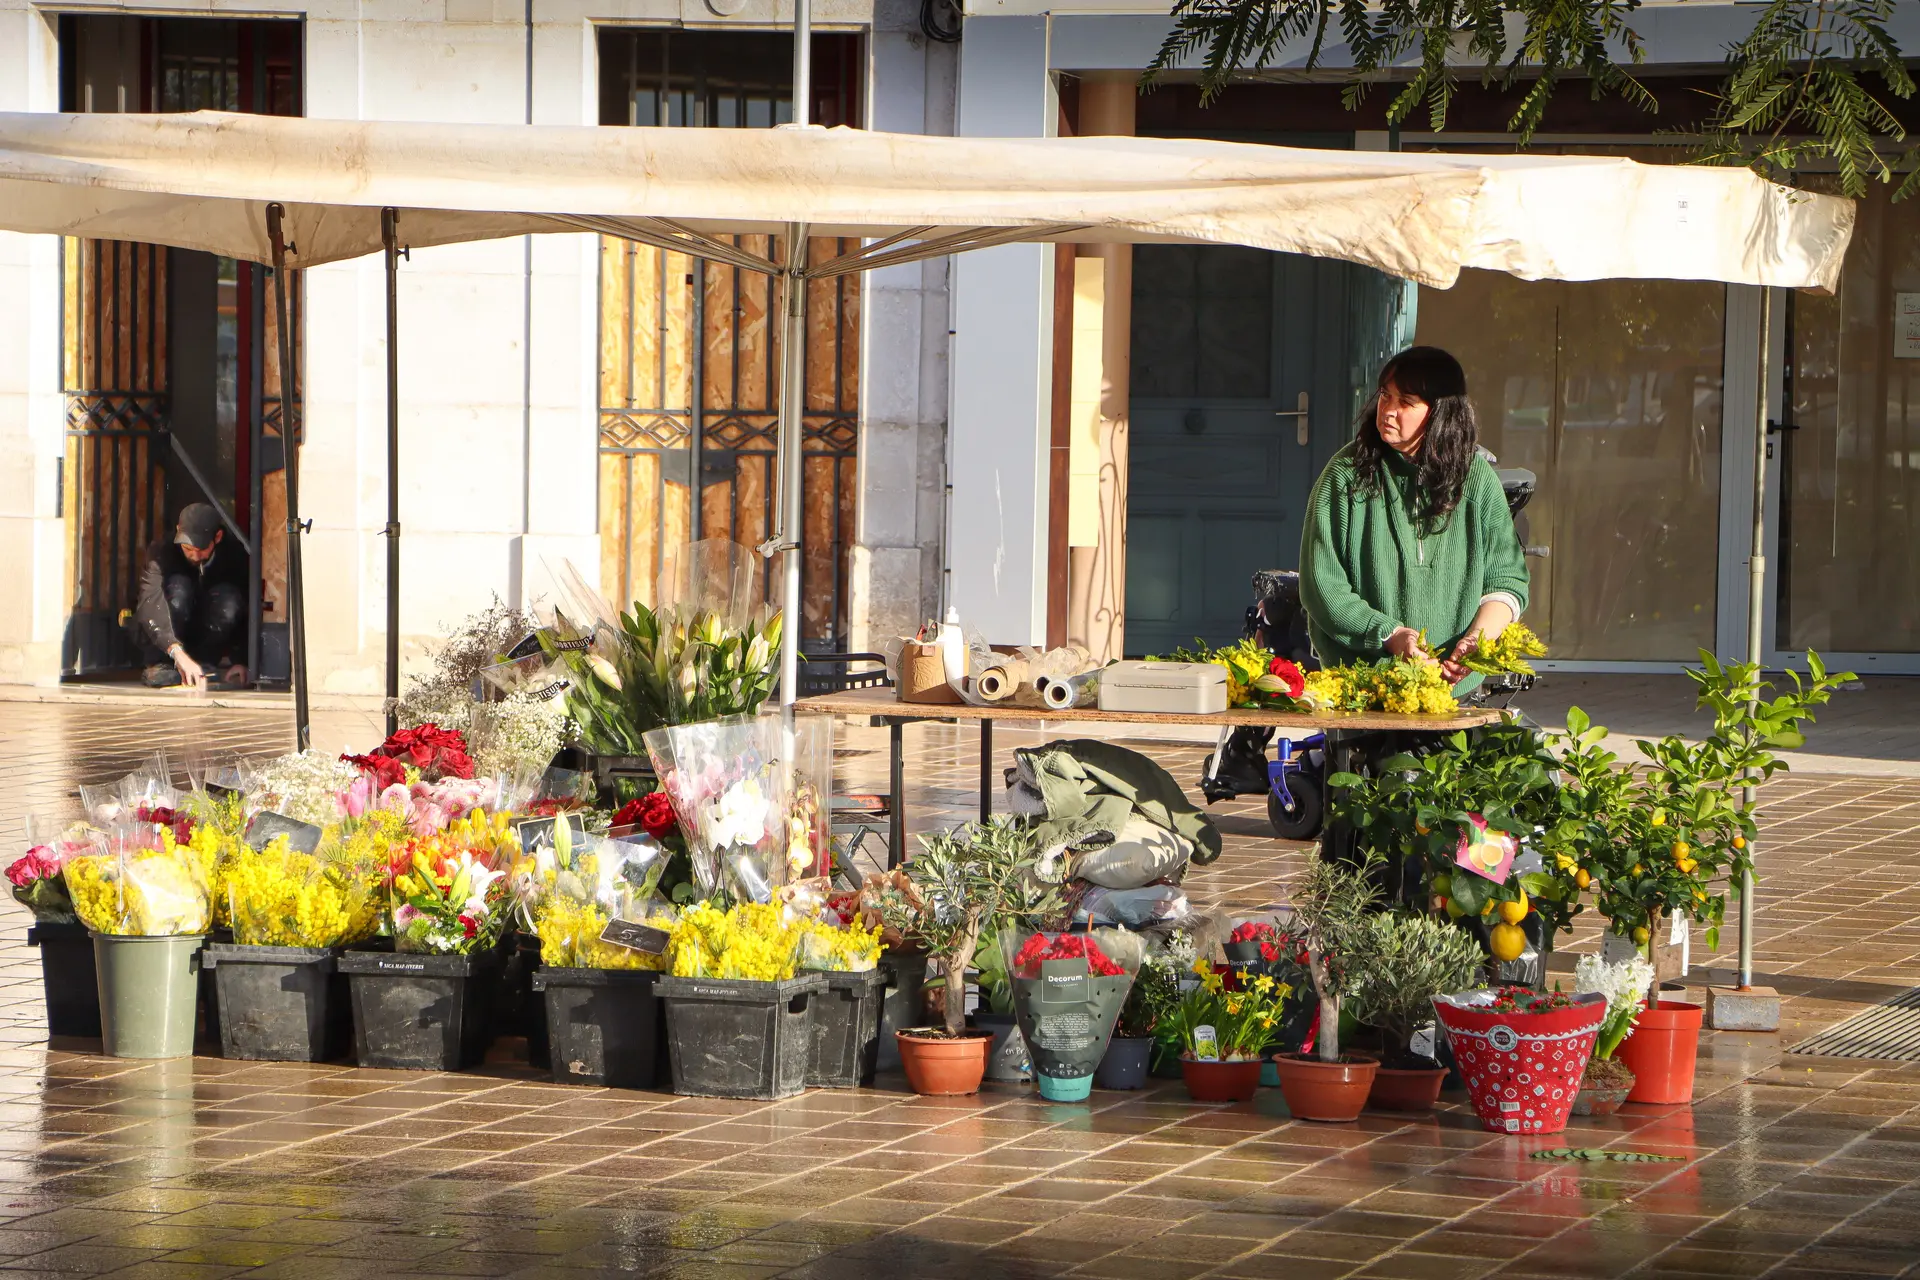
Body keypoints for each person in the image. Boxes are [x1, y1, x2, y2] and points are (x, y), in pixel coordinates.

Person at [1300, 346, 1529, 691]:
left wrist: (1476, 641)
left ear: (1440, 413)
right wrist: (1390, 635)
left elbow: (1507, 580)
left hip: (1453, 687)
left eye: (1405, 402)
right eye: (1385, 396)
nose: (1388, 411)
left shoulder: (1476, 479)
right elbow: (1323, 587)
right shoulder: (1346, 476)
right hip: (1362, 683)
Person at [129, 503, 250, 690]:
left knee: (230, 600)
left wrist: (242, 659)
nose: (194, 555)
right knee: (178, 589)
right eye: (187, 548)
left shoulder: (234, 555)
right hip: (167, 639)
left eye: (201, 549)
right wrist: (175, 651)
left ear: (217, 537)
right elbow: (149, 601)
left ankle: (202, 663)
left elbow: (245, 606)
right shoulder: (162, 551)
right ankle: (163, 664)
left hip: (204, 629)